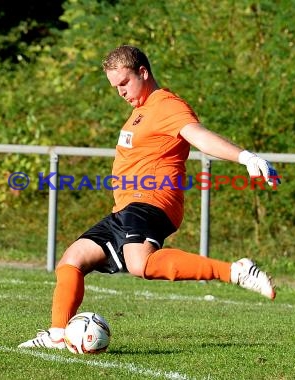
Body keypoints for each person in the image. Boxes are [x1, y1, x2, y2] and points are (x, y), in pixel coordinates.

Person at [19, 45, 281, 349]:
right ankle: (56, 335)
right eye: (115, 86)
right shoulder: (139, 113)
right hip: (126, 208)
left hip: (152, 200)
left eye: (124, 83)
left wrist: (245, 157)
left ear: (143, 72)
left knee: (140, 264)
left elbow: (199, 136)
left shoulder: (166, 105)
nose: (120, 92)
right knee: (72, 260)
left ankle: (235, 271)